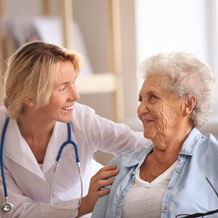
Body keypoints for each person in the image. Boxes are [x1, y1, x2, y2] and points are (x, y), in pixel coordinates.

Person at [0, 41, 149, 218]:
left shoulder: (82, 120)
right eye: (62, 87)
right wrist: (82, 205)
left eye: (73, 83)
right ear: (29, 97)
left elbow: (139, 144)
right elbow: (12, 211)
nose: (75, 95)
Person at [92, 52, 218, 218]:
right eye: (141, 100)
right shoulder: (119, 166)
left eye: (153, 98)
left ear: (187, 105)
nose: (140, 110)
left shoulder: (212, 160)